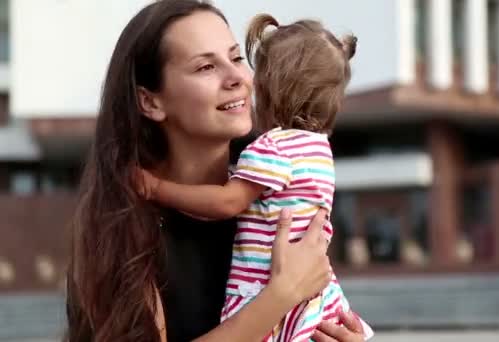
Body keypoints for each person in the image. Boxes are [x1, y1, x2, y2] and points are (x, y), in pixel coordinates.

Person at [65, 1, 366, 341]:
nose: (238, 77)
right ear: (150, 102)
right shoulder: (124, 231)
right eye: (206, 67)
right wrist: (280, 297)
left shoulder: (274, 192)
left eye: (237, 58)